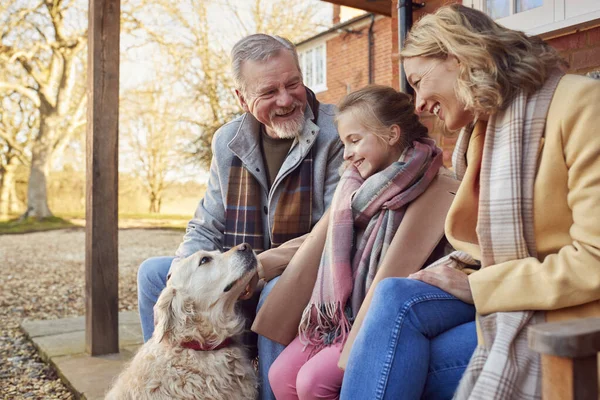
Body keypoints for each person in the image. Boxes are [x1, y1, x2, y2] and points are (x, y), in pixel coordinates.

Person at [340, 4, 600, 400]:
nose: (418, 103)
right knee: (393, 295)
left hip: (574, 312)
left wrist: (480, 286)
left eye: (419, 81)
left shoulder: (584, 105)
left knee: (397, 361)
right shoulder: (484, 131)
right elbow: (482, 246)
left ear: (459, 56)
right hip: (511, 291)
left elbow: (595, 260)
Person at [136, 34, 345, 400]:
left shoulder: (337, 132)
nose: (286, 99)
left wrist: (260, 268)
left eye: (293, 83)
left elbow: (334, 228)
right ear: (241, 98)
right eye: (269, 92)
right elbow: (207, 223)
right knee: (155, 275)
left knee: (275, 293)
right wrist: (180, 276)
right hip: (240, 268)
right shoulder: (227, 140)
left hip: (302, 273)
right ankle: (168, 384)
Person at [251, 85, 462, 399]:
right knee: (280, 375)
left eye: (354, 140)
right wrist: (260, 263)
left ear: (391, 134)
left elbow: (459, 251)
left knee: (312, 382)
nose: (347, 153)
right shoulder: (353, 186)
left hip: (377, 315)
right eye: (343, 142)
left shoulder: (440, 188)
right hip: (339, 316)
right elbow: (318, 240)